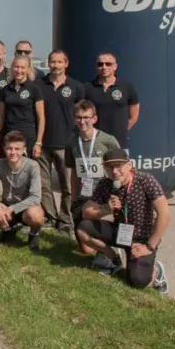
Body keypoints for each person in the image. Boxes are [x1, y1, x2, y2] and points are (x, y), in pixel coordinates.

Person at [76, 148, 169, 292]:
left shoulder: (145, 180)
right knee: (83, 229)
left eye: (119, 166)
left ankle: (157, 271)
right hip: (120, 232)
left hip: (142, 238)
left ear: (129, 165)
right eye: (109, 167)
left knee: (138, 281)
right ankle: (113, 259)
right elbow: (86, 212)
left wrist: (149, 246)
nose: (114, 171)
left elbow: (165, 215)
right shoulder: (106, 184)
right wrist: (106, 209)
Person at [37, 50, 84, 232]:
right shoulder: (39, 85)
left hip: (67, 144)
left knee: (68, 186)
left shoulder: (76, 87)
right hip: (42, 144)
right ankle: (50, 217)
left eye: (59, 62)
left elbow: (82, 114)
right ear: (48, 63)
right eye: (52, 62)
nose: (55, 65)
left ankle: (65, 220)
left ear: (66, 64)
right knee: (44, 185)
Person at [67, 100, 121, 244]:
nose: (82, 121)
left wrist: (119, 190)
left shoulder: (108, 140)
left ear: (94, 119)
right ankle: (99, 242)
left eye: (86, 117)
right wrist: (73, 195)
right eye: (79, 117)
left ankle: (110, 244)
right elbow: (74, 171)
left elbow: (121, 166)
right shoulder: (72, 144)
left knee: (94, 215)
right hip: (84, 192)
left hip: (105, 191)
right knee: (86, 248)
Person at [0, 131, 45, 252]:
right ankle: (7, 231)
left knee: (36, 215)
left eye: (17, 149)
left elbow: (35, 197)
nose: (13, 152)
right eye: (9, 148)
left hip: (25, 207)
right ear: (4, 149)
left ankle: (33, 234)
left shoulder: (33, 166)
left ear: (24, 150)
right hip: (7, 204)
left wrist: (12, 209)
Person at [0, 55, 45, 159]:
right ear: (12, 67)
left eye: (22, 67)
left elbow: (41, 117)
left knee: (26, 167)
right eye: (16, 67)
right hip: (9, 135)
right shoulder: (5, 89)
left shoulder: (34, 88)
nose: (19, 70)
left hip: (28, 136)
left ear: (28, 69)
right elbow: (1, 116)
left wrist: (38, 142)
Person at [84, 52, 139, 147]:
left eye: (108, 64)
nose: (104, 67)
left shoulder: (126, 87)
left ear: (115, 66)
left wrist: (122, 129)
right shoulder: (87, 87)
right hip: (94, 142)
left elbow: (134, 115)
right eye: (100, 64)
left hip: (119, 142)